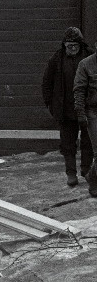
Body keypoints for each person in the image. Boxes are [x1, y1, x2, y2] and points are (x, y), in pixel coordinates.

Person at [42, 27, 93, 186]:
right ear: (64, 45)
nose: (72, 49)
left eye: (75, 46)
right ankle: (71, 173)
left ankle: (86, 171)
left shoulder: (90, 57)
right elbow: (47, 84)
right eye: (69, 45)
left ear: (81, 45)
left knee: (88, 141)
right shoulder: (56, 59)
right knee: (67, 143)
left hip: (87, 107)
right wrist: (50, 104)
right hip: (65, 109)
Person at [74, 35, 97, 195]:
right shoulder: (86, 64)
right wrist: (81, 113)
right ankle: (94, 182)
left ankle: (91, 176)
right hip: (92, 112)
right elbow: (79, 90)